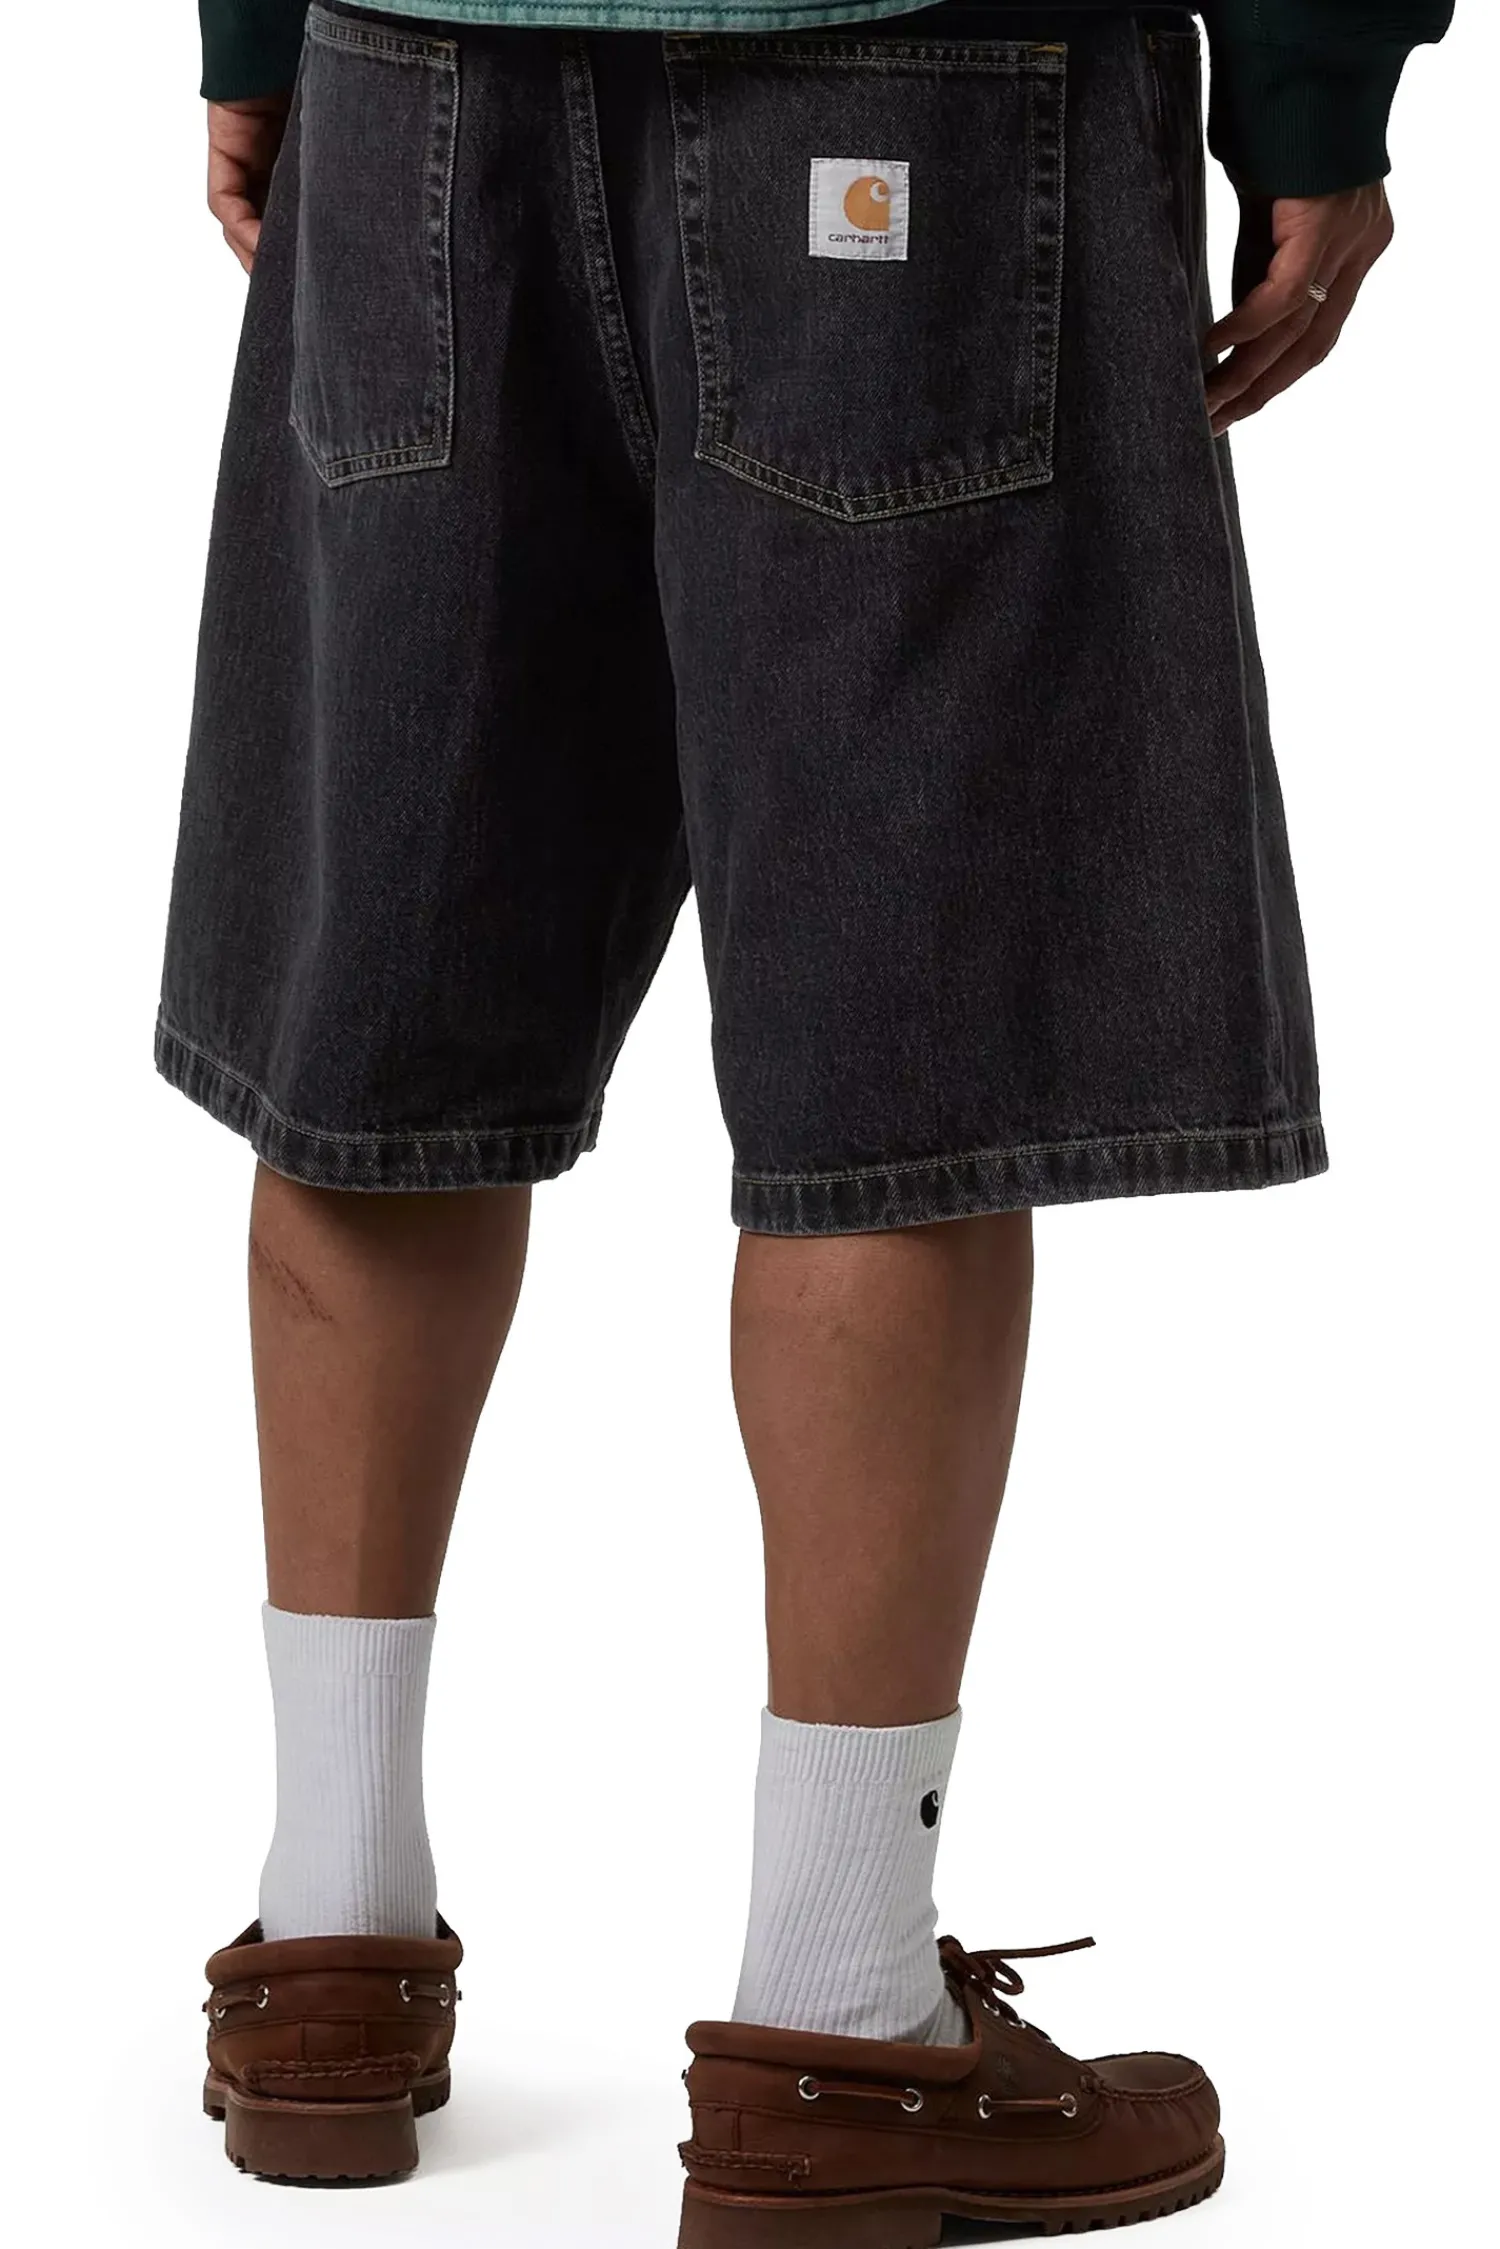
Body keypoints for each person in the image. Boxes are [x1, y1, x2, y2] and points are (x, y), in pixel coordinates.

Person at [169, 0, 1450, 2233]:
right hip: (922, 64)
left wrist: (258, 26)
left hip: (417, 65)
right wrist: (1318, 87)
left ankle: (327, 1944)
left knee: (384, 997)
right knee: (896, 1061)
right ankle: (843, 2012)